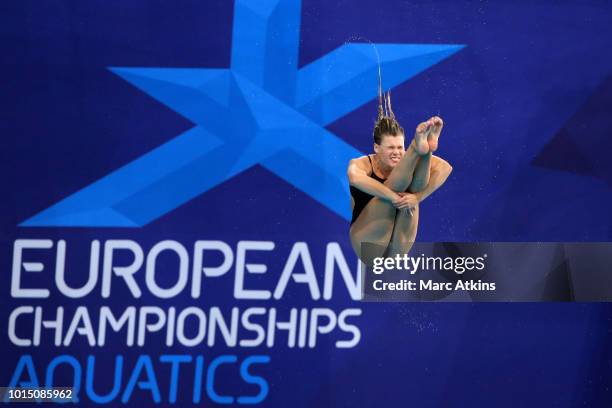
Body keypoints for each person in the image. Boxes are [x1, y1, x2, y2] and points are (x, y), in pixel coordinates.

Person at [347, 91, 453, 262]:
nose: (396, 153)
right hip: (368, 245)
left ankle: (427, 150)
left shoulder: (404, 163)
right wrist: (393, 197)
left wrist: (417, 198)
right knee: (395, 190)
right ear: (376, 148)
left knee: (413, 191)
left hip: (398, 249)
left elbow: (445, 168)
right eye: (391, 148)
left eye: (400, 148)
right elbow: (355, 178)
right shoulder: (362, 163)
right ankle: (415, 147)